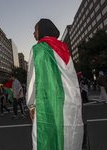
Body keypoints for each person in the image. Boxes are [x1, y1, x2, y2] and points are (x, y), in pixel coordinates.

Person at [26, 18, 83, 149]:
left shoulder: (38, 49)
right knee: (69, 136)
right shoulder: (64, 48)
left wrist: (31, 104)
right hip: (70, 101)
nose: (33, 33)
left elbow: (32, 80)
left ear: (42, 30)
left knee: (46, 137)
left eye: (35, 29)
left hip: (49, 101)